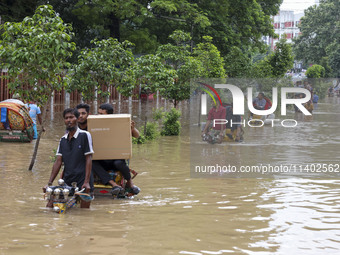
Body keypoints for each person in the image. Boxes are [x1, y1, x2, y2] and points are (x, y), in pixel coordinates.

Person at [45, 108, 94, 208]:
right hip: (67, 179)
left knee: (84, 210)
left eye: (71, 117)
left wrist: (86, 182)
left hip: (82, 178)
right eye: (66, 118)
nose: (69, 120)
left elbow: (88, 158)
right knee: (50, 206)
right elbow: (58, 162)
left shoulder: (85, 135)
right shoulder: (63, 139)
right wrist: (49, 183)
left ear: (77, 119)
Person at [94, 103, 140, 195]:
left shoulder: (119, 123)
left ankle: (130, 183)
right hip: (101, 159)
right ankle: (113, 184)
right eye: (98, 113)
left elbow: (137, 135)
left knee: (119, 162)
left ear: (109, 115)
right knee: (91, 163)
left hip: (115, 159)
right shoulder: (94, 124)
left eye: (102, 114)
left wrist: (132, 128)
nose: (99, 116)